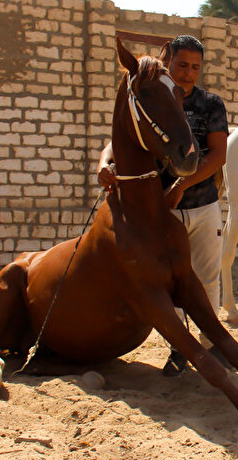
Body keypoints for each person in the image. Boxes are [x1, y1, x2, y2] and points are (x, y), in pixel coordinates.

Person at [98, 35, 229, 374]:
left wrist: (183, 184)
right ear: (169, 63)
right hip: (162, 210)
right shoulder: (153, 92)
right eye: (182, 65)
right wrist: (102, 162)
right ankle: (179, 350)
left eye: (195, 67)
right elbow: (119, 137)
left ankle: (210, 346)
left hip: (202, 205)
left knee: (208, 277)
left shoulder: (211, 104)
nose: (188, 73)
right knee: (174, 284)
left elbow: (218, 155)